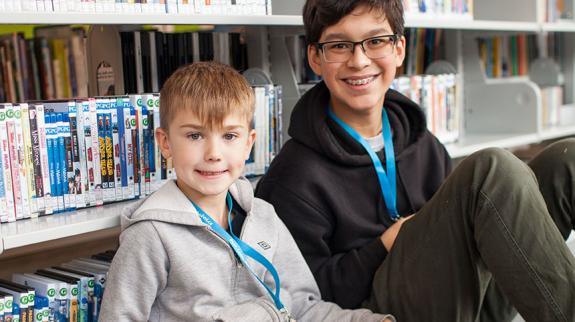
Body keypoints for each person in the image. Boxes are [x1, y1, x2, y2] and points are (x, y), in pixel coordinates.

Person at [254, 0, 575, 321]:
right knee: (493, 170)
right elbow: (304, 299)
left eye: (376, 41)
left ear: (399, 49)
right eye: (339, 46)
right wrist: (384, 244)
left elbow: (463, 225)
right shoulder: (292, 177)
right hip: (380, 311)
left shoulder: (417, 137)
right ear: (315, 58)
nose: (359, 60)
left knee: (567, 160)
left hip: (461, 295)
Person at [98, 62, 394, 322]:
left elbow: (303, 310)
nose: (214, 153)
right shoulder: (150, 235)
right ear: (165, 143)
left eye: (229, 136)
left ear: (248, 143)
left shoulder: (263, 217)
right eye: (195, 135)